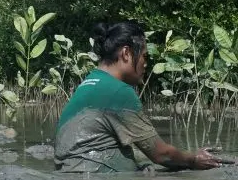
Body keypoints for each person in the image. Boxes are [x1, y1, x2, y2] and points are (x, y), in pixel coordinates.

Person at [54, 21, 223, 172]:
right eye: (144, 56)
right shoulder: (118, 91)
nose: (145, 63)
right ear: (126, 53)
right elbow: (162, 155)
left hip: (74, 178)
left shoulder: (89, 83)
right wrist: (194, 159)